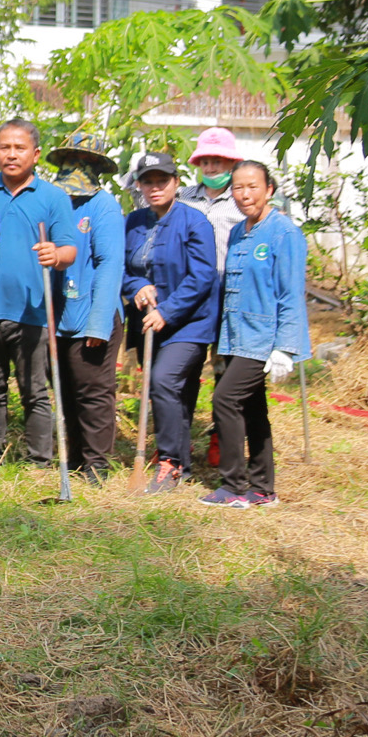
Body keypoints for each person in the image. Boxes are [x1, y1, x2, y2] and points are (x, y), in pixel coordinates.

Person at [202, 159, 311, 509]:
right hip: (236, 334)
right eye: (238, 187)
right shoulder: (238, 231)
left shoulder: (284, 233)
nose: (244, 194)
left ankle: (234, 486)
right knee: (252, 408)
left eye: (252, 187)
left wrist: (285, 348)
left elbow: (291, 293)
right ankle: (263, 488)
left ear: (269, 190)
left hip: (263, 338)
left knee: (224, 400)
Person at [0, 118, 78, 467]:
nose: (11, 154)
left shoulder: (53, 197)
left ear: (35, 154)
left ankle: (39, 461)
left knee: (34, 389)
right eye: (4, 147)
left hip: (32, 311)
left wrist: (56, 254)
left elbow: (70, 250)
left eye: (19, 148)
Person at [120, 152, 220, 494]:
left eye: (162, 180)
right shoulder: (132, 222)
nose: (155, 187)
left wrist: (168, 310)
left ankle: (171, 462)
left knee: (164, 381)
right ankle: (181, 458)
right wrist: (137, 287)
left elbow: (203, 275)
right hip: (148, 322)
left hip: (189, 322)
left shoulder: (195, 222)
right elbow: (122, 268)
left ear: (176, 183)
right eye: (147, 181)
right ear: (139, 185)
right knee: (177, 390)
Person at [46, 133, 126, 478]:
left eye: (84, 161)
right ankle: (74, 457)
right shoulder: (53, 201)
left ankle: (96, 464)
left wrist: (99, 323)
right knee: (65, 389)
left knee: (92, 391)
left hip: (92, 315)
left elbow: (110, 264)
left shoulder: (103, 205)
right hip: (58, 314)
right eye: (70, 160)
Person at [179, 126, 244, 269]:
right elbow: (149, 203)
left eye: (217, 162)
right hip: (190, 280)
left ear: (232, 162)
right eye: (205, 163)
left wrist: (280, 198)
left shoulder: (241, 200)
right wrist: (135, 177)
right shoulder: (183, 197)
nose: (210, 169)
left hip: (228, 279)